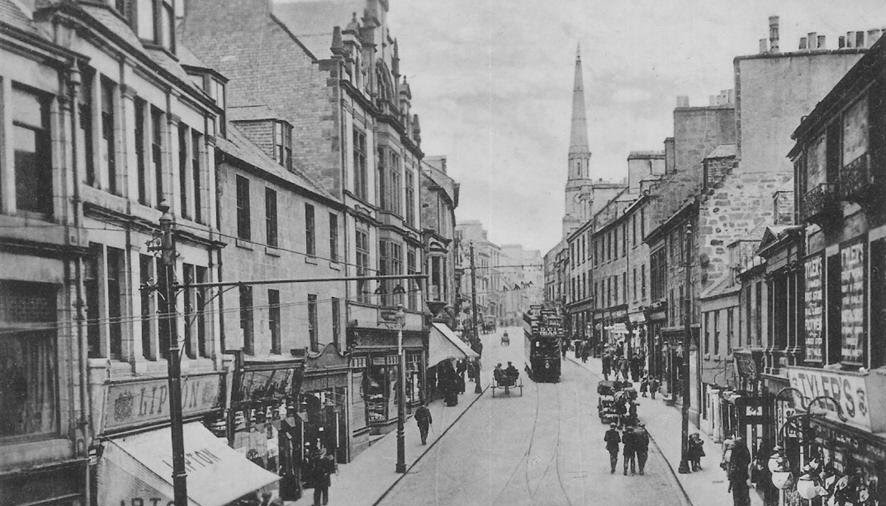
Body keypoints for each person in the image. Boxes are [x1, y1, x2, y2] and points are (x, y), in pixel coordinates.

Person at [728, 435, 752, 506]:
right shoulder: (744, 450)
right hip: (742, 479)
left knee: (738, 499)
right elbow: (748, 460)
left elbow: (732, 467)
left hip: (738, 479)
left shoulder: (735, 451)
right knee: (744, 498)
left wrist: (730, 485)